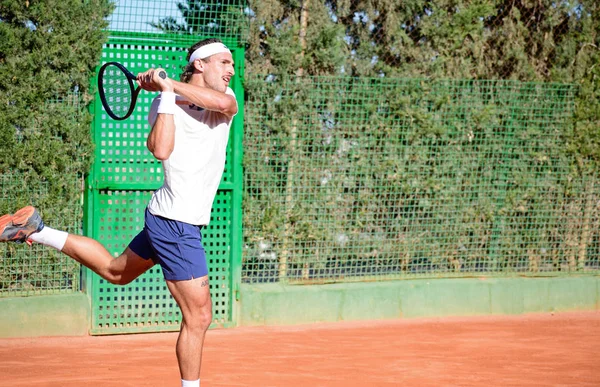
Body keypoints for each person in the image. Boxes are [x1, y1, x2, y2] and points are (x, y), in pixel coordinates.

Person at [0, 37, 237, 387]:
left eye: (232, 64)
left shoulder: (226, 100)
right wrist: (167, 94)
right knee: (199, 317)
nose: (231, 70)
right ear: (200, 64)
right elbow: (161, 149)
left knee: (115, 271)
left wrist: (168, 83)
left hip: (176, 220)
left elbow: (222, 104)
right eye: (223, 62)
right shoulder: (162, 101)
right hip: (175, 223)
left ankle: (36, 230)